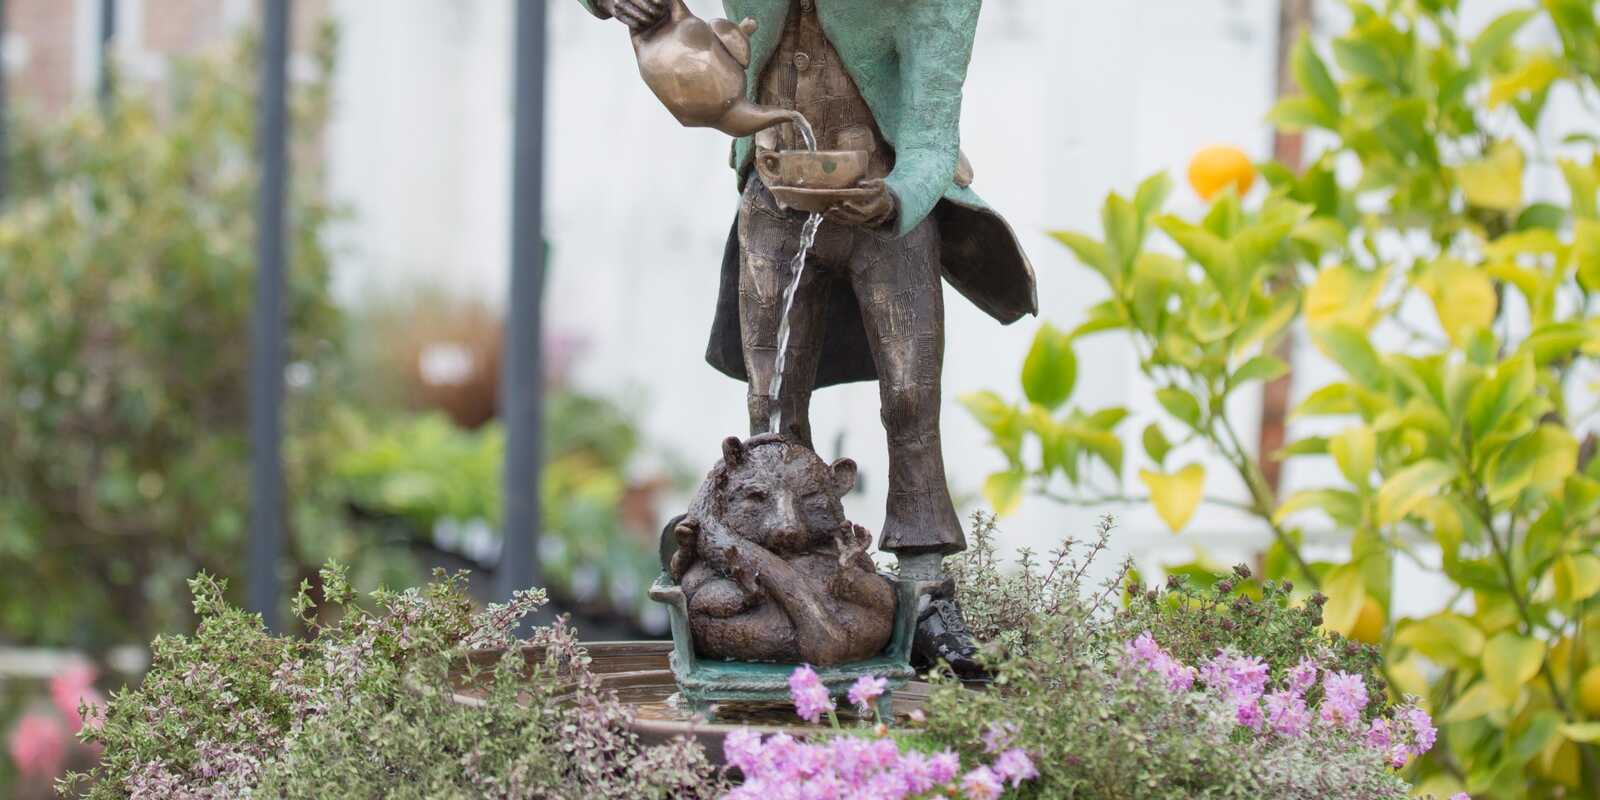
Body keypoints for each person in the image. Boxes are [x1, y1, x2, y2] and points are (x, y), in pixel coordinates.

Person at [580, 0, 1037, 677]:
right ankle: (780, 572)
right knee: (772, 405)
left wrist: (895, 199)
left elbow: (932, 138)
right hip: (774, 198)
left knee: (911, 395)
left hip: (884, 204)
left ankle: (925, 588)